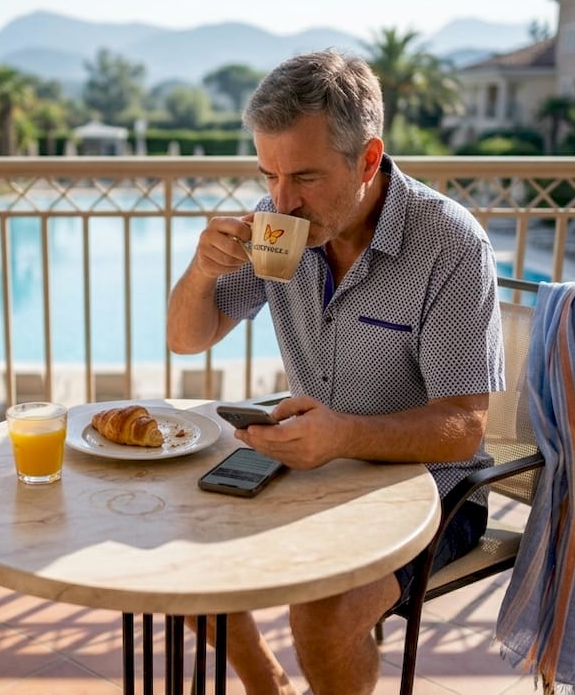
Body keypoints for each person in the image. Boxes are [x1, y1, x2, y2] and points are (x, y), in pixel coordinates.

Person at [166, 49, 505, 695]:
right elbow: (189, 338)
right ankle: (269, 687)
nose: (282, 200)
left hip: (434, 495)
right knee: (188, 559)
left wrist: (342, 436)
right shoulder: (281, 230)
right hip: (313, 469)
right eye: (269, 174)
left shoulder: (451, 246)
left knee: (321, 620)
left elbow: (463, 429)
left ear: (369, 160)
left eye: (306, 178)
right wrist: (202, 272)